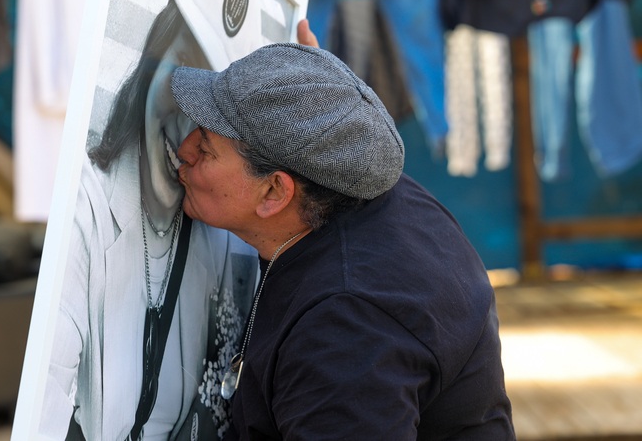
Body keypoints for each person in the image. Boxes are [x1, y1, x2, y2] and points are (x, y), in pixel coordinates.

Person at [170, 39, 516, 439]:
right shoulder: (365, 185)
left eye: (206, 148)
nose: (184, 150)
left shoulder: (344, 338)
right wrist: (305, 91)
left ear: (274, 193)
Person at [38, 0, 280, 440]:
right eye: (184, 70)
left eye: (215, 108)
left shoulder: (220, 237)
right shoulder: (85, 211)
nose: (191, 132)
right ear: (156, 48)